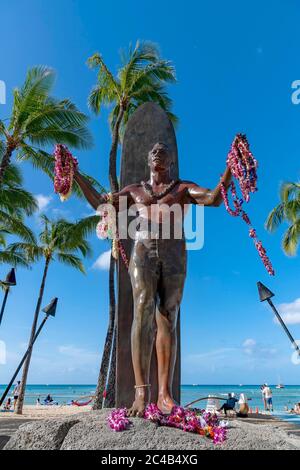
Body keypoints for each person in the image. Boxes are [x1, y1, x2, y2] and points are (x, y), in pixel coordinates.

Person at [74, 142, 232, 416]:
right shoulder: (135, 190)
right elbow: (102, 205)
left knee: (168, 316)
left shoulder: (183, 188)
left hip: (174, 254)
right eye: (154, 150)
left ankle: (164, 395)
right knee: (143, 309)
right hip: (143, 251)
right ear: (148, 160)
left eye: (163, 150)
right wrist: (75, 175)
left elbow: (214, 198)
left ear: (170, 161)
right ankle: (141, 393)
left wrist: (231, 166)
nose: (158, 151)